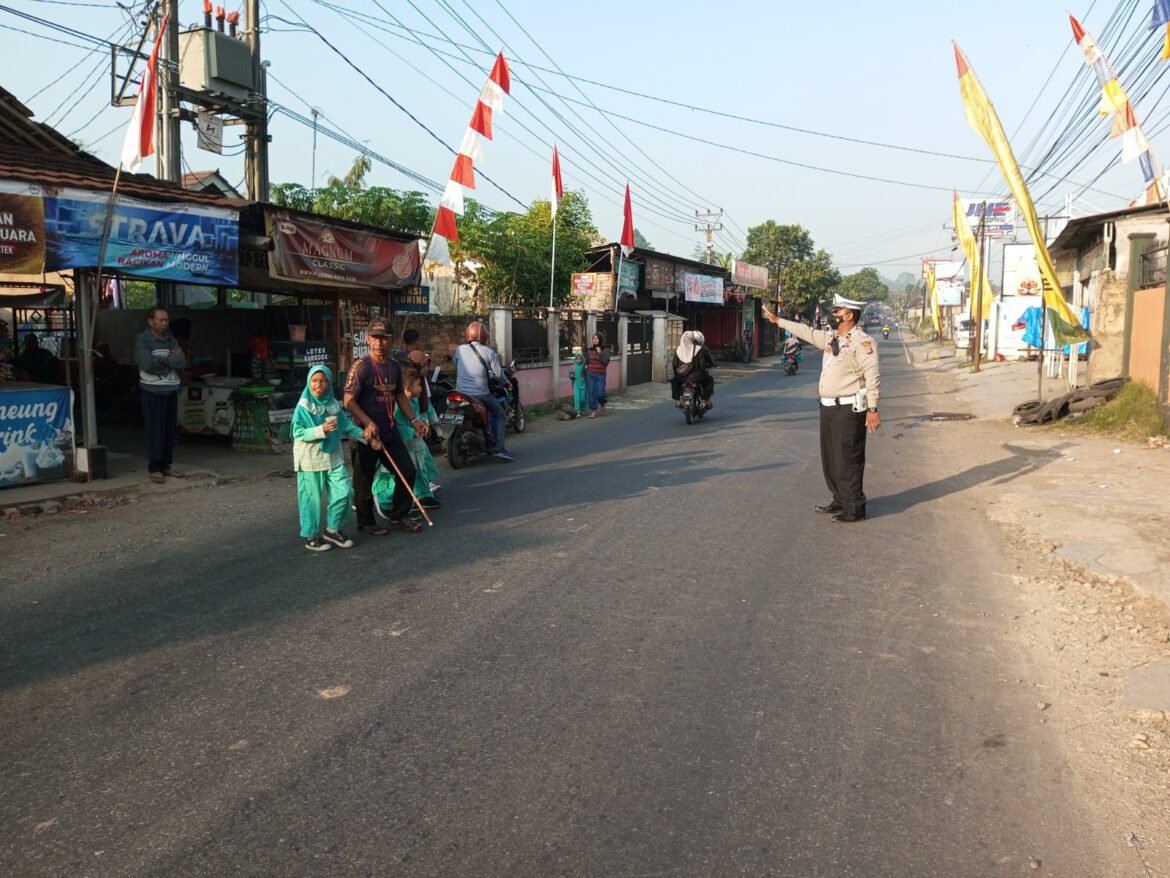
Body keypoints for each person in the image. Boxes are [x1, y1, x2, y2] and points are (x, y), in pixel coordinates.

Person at [761, 294, 881, 523]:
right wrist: (778, 321)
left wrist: (873, 410)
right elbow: (806, 331)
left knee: (848, 458)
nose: (833, 314)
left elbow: (872, 378)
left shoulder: (863, 343)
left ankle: (854, 506)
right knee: (831, 459)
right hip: (827, 408)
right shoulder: (831, 338)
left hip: (848, 410)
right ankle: (839, 498)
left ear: (849, 314)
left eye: (838, 311)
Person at [343, 317, 425, 535]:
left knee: (407, 471)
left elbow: (399, 395)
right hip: (365, 434)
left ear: (390, 340)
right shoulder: (361, 367)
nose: (379, 343)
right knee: (363, 480)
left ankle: (399, 514)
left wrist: (414, 420)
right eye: (375, 338)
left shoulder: (394, 367)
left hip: (389, 431)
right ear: (369, 340)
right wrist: (368, 423)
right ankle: (366, 522)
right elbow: (348, 401)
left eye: (384, 338)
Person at [292, 365, 367, 552]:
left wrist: (367, 437)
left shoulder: (334, 404)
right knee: (311, 499)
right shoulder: (303, 407)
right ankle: (312, 536)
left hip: (332, 455)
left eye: (324, 380)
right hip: (310, 457)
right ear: (309, 383)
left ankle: (333, 530)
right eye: (315, 381)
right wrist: (320, 430)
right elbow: (297, 432)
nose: (320, 385)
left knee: (344, 492)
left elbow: (347, 427)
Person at [374, 354, 441, 514]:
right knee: (401, 475)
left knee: (420, 470)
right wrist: (413, 432)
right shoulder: (397, 406)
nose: (421, 389)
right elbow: (396, 426)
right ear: (408, 386)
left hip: (416, 445)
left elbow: (420, 415)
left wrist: (424, 425)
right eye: (418, 386)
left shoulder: (415, 401)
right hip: (403, 445)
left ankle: (424, 495)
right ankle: (387, 501)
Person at [134, 308, 186, 485]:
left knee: (170, 430)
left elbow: (181, 362)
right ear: (150, 321)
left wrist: (161, 360)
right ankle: (155, 467)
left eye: (166, 320)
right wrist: (169, 362)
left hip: (170, 389)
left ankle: (166, 465)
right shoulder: (143, 339)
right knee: (154, 429)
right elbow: (147, 364)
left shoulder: (171, 339)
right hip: (151, 390)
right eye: (161, 320)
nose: (164, 323)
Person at [453, 320, 514, 461]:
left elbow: (456, 367)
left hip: (460, 393)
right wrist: (505, 383)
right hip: (480, 394)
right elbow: (499, 375)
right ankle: (499, 448)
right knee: (500, 415)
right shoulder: (488, 352)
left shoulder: (459, 349)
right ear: (484, 336)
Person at [671, 330, 716, 408]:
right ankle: (705, 400)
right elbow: (705, 364)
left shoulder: (678, 350)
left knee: (674, 381)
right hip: (697, 376)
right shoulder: (701, 348)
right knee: (709, 380)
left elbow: (675, 365)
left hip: (682, 376)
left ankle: (678, 401)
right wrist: (713, 365)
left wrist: (677, 374)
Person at [584, 332, 611, 417]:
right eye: (593, 338)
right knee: (591, 392)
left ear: (600, 340)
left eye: (596, 338)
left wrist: (600, 353)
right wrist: (584, 370)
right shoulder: (590, 350)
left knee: (600, 393)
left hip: (601, 374)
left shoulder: (605, 350)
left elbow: (605, 362)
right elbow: (586, 362)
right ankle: (593, 410)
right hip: (590, 374)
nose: (595, 340)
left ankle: (602, 403)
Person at [568, 349, 588, 418]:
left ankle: (582, 409)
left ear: (582, 359)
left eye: (580, 358)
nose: (578, 360)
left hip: (583, 384)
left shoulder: (585, 367)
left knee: (582, 399)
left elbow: (588, 374)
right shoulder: (573, 367)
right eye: (577, 359)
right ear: (575, 359)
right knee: (577, 398)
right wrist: (571, 376)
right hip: (576, 384)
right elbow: (570, 374)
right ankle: (577, 411)